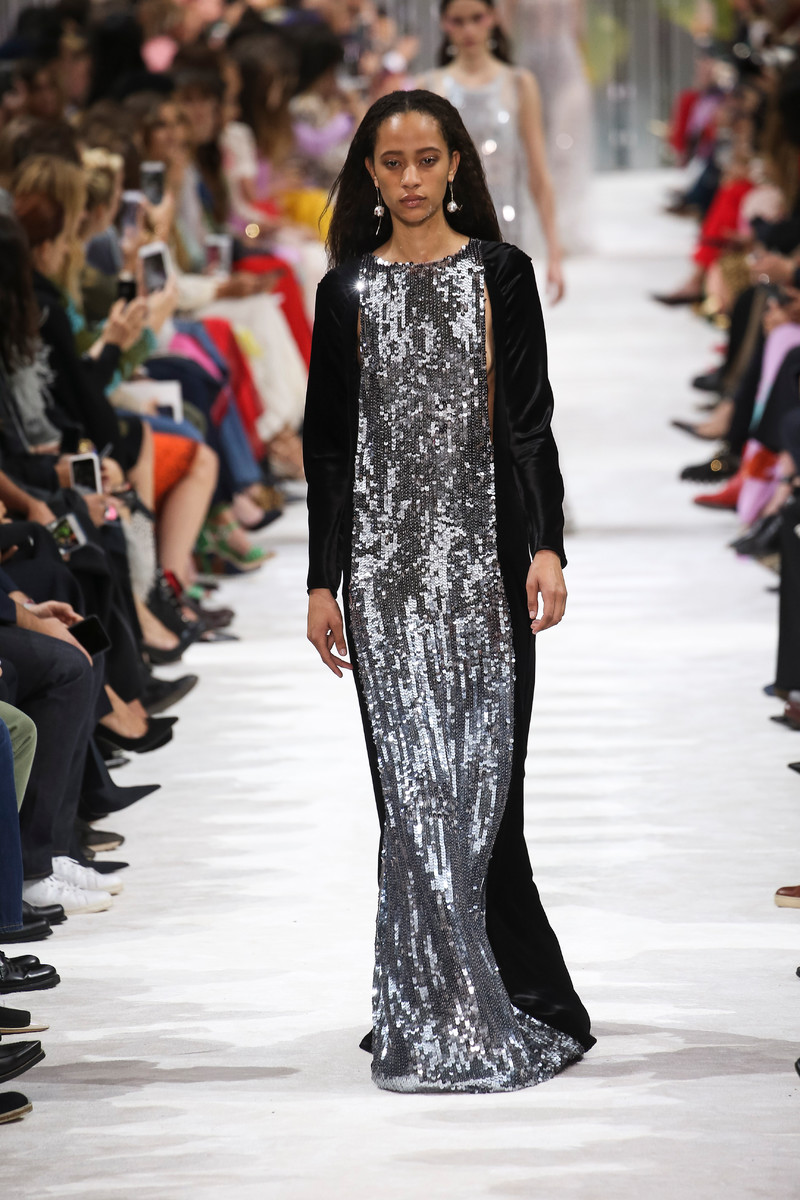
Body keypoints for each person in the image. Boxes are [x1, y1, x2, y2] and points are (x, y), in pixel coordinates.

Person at [304, 89, 593, 1094]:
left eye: (428, 159)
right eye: (393, 164)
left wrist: (546, 546)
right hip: (383, 581)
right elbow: (327, 447)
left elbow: (529, 422)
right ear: (370, 175)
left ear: (457, 164)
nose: (412, 179)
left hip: (485, 569)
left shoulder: (500, 275)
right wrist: (322, 578)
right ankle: (425, 990)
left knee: (486, 791)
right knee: (410, 792)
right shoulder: (344, 290)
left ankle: (517, 990)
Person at [421, 0, 564, 302]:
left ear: (493, 18)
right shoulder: (430, 86)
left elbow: (538, 173)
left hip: (508, 224)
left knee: (506, 319)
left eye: (477, 18)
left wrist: (554, 253)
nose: (469, 30)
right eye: (458, 21)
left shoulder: (519, 84)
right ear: (444, 24)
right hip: (449, 225)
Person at [506, 0, 592, 252]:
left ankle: (563, 230)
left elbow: (579, 29)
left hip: (567, 67)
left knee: (564, 150)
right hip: (530, 67)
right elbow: (506, 30)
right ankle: (536, 228)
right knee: (531, 153)